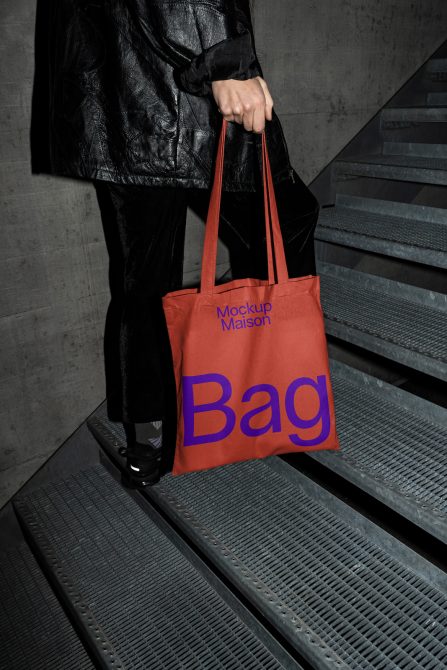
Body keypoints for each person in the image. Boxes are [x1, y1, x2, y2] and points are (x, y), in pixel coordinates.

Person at [30, 0, 320, 487]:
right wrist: (226, 61)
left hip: (117, 93)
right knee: (286, 221)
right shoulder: (213, 62)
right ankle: (269, 392)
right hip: (191, 81)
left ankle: (149, 439)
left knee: (143, 276)